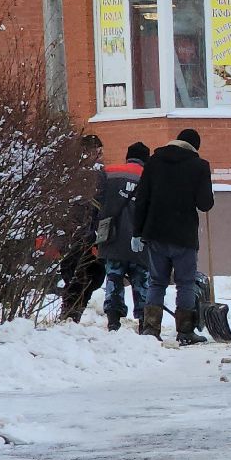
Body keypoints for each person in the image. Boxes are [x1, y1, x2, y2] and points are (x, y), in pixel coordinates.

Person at [132, 128, 215, 344]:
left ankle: (151, 329)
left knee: (156, 282)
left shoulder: (153, 163)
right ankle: (185, 332)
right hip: (183, 236)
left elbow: (141, 199)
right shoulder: (199, 166)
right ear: (195, 147)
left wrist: (137, 232)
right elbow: (205, 204)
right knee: (185, 283)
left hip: (155, 233)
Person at [95, 142, 152, 332]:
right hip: (140, 239)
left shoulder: (109, 172)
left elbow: (96, 203)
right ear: (146, 159)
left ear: (128, 156)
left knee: (114, 277)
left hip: (113, 237)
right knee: (141, 278)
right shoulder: (150, 177)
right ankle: (144, 321)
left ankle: (113, 320)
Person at [57, 134, 106, 324]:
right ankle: (71, 311)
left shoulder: (91, 173)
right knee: (82, 272)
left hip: (85, 232)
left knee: (89, 273)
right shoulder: (86, 175)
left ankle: (72, 310)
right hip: (82, 232)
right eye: (98, 151)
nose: (101, 155)